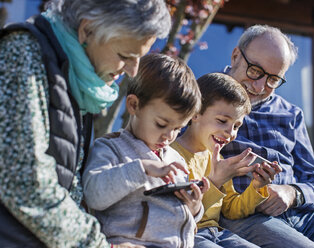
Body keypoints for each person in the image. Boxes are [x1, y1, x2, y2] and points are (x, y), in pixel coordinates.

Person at [0, 0, 171, 247]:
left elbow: (69, 190)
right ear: (87, 30)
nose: (133, 71)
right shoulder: (21, 54)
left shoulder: (74, 79)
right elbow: (26, 182)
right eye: (125, 56)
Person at [219, 24, 314, 248]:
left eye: (273, 79)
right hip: (245, 215)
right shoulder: (203, 99)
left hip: (304, 215)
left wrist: (292, 192)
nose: (260, 86)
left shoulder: (290, 114)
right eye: (255, 70)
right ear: (235, 56)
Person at [83, 53, 209, 248]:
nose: (169, 136)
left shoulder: (175, 158)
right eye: (161, 124)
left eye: (178, 129)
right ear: (134, 105)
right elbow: (94, 195)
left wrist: (194, 207)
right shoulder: (110, 147)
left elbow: (182, 218)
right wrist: (141, 169)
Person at [171, 72, 282, 248]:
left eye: (236, 126)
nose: (230, 133)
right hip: (188, 236)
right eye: (222, 121)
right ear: (195, 113)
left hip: (217, 233)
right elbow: (177, 215)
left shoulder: (216, 158)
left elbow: (231, 210)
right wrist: (215, 181)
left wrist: (257, 187)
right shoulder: (171, 156)